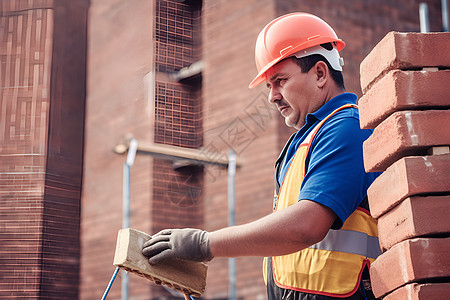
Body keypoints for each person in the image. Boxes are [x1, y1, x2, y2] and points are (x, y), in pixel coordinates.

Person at [142, 12, 381, 300]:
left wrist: (206, 243)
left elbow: (306, 226)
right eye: (269, 86)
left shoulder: (346, 128)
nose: (272, 96)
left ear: (319, 73)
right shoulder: (305, 140)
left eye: (280, 80)